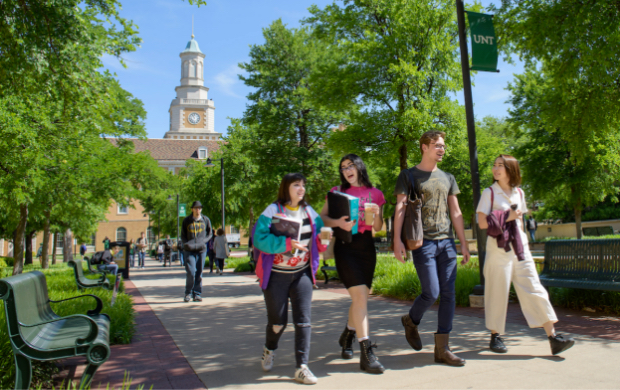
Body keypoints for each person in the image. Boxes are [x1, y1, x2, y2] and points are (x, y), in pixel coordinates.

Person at [476, 154, 575, 356]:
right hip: (498, 251)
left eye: (500, 166)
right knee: (497, 292)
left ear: (511, 169)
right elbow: (482, 223)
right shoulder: (490, 193)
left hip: (521, 250)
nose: (495, 169)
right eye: (494, 165)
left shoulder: (519, 193)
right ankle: (495, 336)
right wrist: (507, 216)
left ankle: (553, 337)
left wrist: (522, 241)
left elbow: (519, 223)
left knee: (535, 289)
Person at [393, 131, 470, 367]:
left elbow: (455, 212)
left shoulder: (448, 177)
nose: (442, 149)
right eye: (437, 145)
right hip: (422, 242)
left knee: (449, 294)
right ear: (424, 147)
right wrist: (397, 240)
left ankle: (442, 348)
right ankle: (411, 320)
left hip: (446, 242)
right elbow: (400, 208)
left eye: (443, 146)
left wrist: (464, 243)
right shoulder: (409, 175)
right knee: (432, 292)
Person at [253, 173, 328, 385]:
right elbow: (259, 239)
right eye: (296, 185)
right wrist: (286, 244)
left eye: (303, 185)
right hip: (276, 275)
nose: (301, 188)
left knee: (303, 321)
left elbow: (320, 239)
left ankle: (301, 367)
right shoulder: (272, 211)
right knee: (278, 323)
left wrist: (325, 238)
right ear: (286, 187)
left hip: (302, 274)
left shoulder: (310, 212)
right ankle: (270, 349)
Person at [319, 154, 386, 374]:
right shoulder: (337, 192)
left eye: (351, 166)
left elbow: (378, 227)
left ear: (359, 168)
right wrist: (338, 222)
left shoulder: (375, 193)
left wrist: (376, 214)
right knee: (359, 298)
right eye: (343, 167)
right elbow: (323, 218)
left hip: (366, 248)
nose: (347, 170)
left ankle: (347, 334)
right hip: (346, 247)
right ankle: (366, 352)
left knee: (361, 299)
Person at [181, 201, 213, 302]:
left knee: (199, 273)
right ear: (192, 209)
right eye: (195, 208)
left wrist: (203, 242)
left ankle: (197, 294)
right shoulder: (186, 220)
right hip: (189, 250)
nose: (197, 210)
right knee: (191, 272)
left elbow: (210, 233)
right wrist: (186, 243)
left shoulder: (205, 220)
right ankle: (188, 293)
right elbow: (182, 235)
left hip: (201, 250)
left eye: (199, 208)